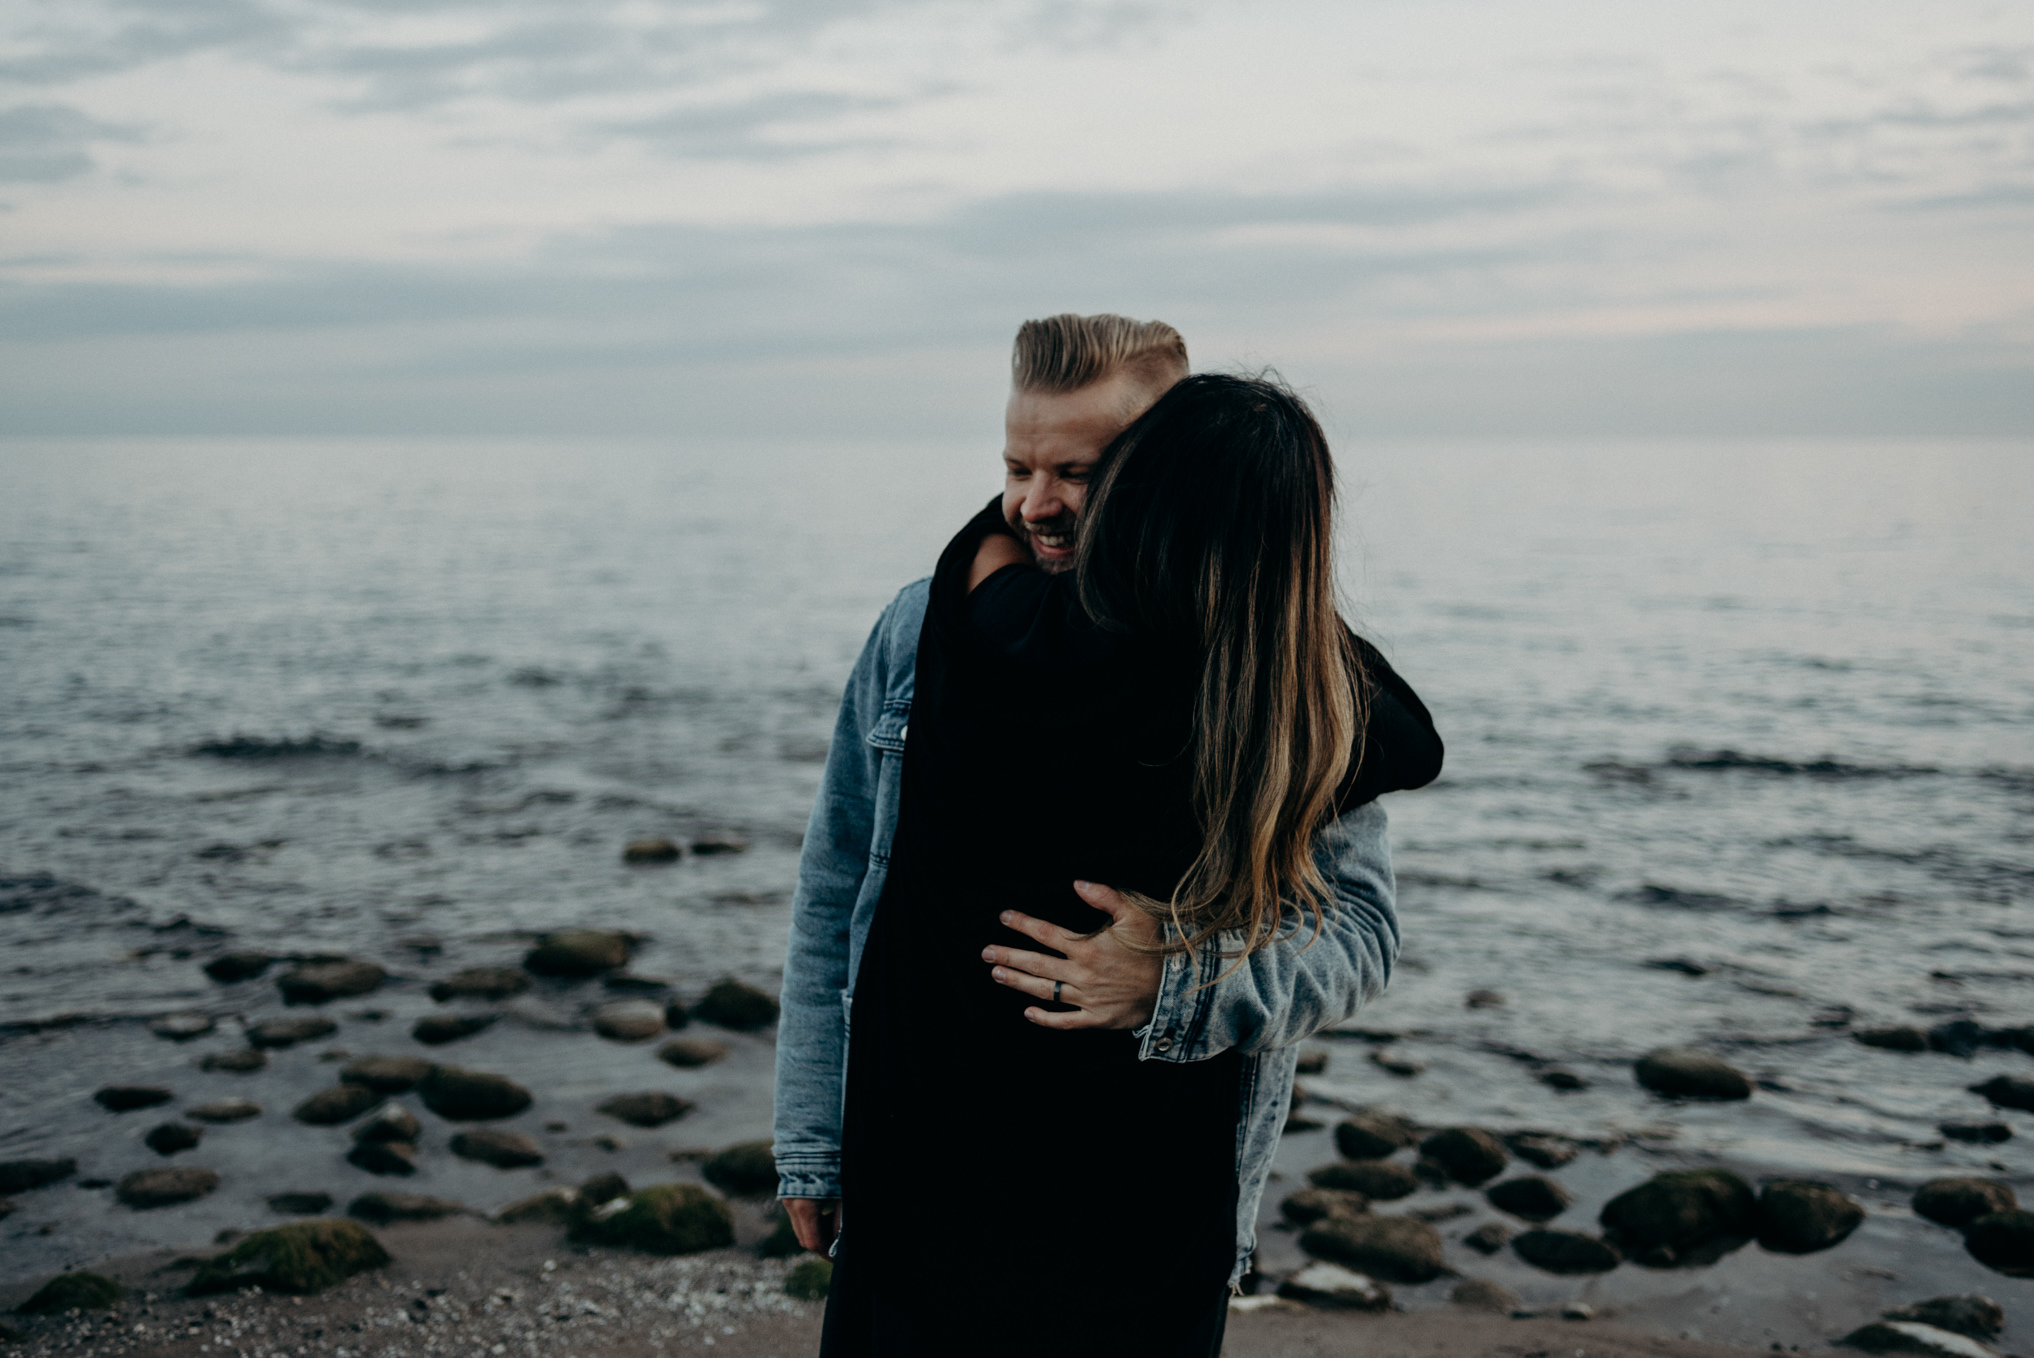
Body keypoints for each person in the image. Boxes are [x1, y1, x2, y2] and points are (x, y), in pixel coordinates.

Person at [772, 321, 1442, 1351]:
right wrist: (813, 1137)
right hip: (919, 1189)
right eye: (1015, 465)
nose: (1033, 503)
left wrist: (1174, 980)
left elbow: (1361, 931)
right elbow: (837, 882)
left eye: (1076, 471)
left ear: (1164, 470)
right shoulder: (926, 627)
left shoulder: (1277, 666)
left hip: (1144, 1223)